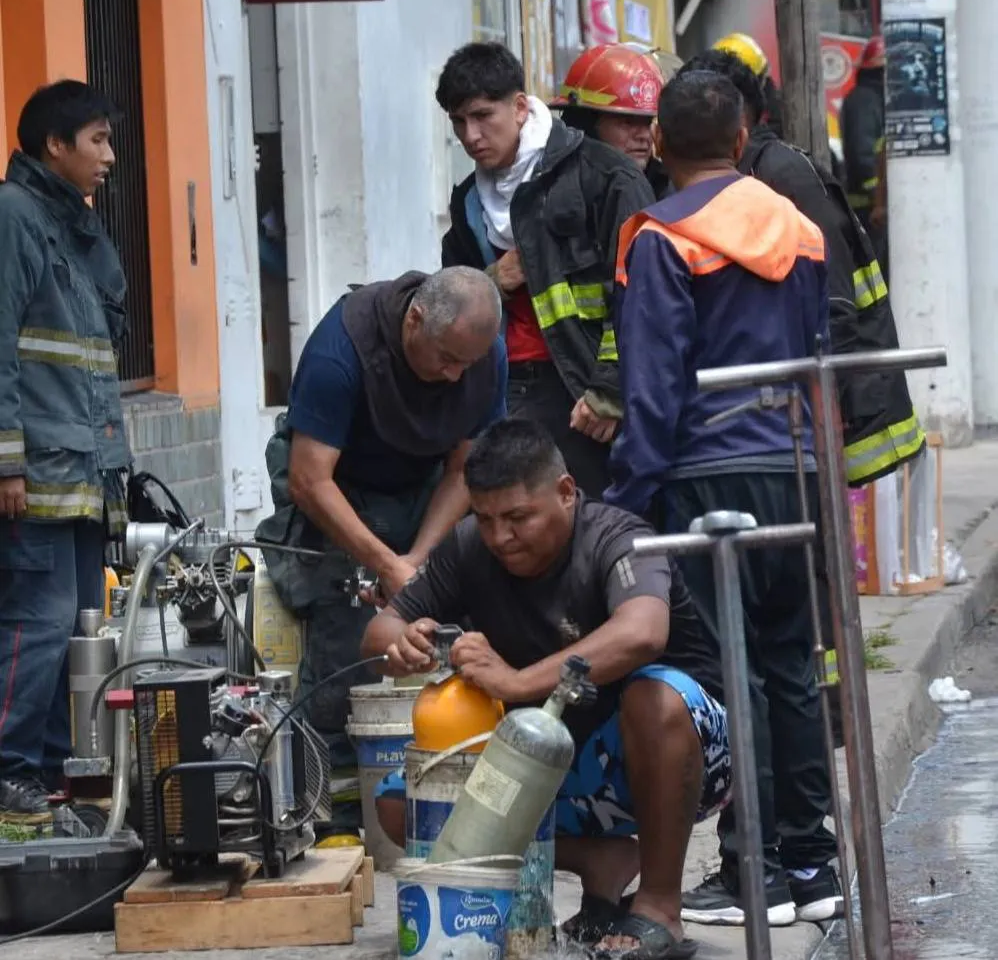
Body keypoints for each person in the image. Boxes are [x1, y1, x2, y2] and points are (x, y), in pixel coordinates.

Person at [606, 71, 842, 927]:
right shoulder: (800, 229)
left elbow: (653, 385)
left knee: (731, 670)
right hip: (793, 464)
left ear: (659, 145)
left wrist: (627, 504)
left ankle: (755, 870)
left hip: (705, 476)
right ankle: (812, 866)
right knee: (791, 666)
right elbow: (820, 352)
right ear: (743, 141)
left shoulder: (659, 236)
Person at [361, 419, 726, 959]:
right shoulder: (468, 548)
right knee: (402, 802)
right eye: (485, 519)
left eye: (517, 518)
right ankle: (599, 860)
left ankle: (659, 906)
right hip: (552, 768)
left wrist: (516, 681)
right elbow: (378, 630)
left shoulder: (621, 537)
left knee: (655, 697)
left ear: (565, 492)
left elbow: (643, 632)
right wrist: (405, 643)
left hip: (681, 759)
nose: (500, 537)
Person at [255, 267, 507, 815]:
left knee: (448, 610)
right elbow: (308, 479)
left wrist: (416, 560)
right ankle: (330, 808)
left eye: (468, 363)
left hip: (424, 481)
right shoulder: (340, 350)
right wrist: (382, 562)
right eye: (446, 358)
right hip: (334, 481)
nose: (455, 375)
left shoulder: (483, 354)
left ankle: (432, 785)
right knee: (347, 632)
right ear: (413, 320)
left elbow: (465, 469)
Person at [680, 48, 923, 491]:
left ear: (739, 120)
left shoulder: (782, 174)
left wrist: (827, 404)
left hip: (844, 414)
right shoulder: (729, 176)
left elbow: (835, 304)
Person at [438, 42, 655, 499]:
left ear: (519, 107)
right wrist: (492, 281)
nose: (471, 135)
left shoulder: (605, 178)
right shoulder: (470, 202)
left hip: (582, 396)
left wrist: (610, 391)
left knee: (590, 530)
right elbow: (449, 301)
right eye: (459, 122)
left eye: (482, 116)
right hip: (501, 391)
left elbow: (640, 298)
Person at [0, 81, 130, 822]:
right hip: (36, 475)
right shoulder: (14, 217)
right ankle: (7, 768)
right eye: (98, 141)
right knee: (35, 627)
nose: (109, 157)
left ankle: (45, 775)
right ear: (55, 145)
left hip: (81, 473)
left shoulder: (69, 228)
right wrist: (6, 463)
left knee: (78, 630)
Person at [550, 43, 670, 197]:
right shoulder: (552, 198)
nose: (644, 136)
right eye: (628, 122)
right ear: (586, 126)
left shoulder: (666, 192)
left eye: (647, 122)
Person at [840, 35, 887, 276]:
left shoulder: (870, 99)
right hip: (870, 211)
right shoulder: (865, 102)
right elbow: (863, 155)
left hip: (872, 208)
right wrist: (878, 196)